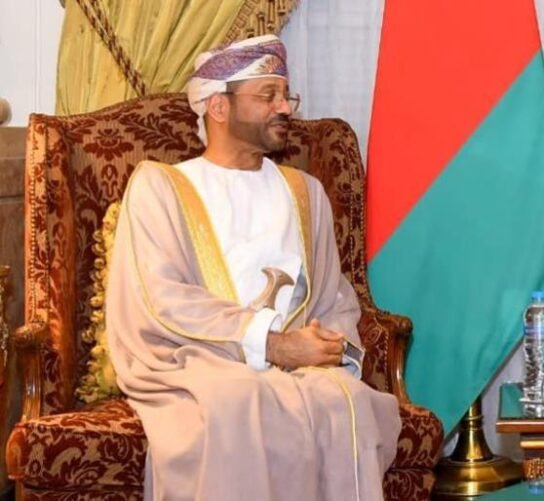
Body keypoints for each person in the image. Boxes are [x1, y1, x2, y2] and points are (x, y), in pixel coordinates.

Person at [105, 34, 401, 500]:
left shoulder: (306, 193)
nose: (285, 108)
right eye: (268, 96)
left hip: (300, 366)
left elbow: (333, 297)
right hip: (200, 361)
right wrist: (273, 345)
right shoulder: (160, 188)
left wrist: (327, 347)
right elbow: (163, 299)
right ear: (218, 107)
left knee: (346, 401)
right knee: (236, 402)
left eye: (286, 96)